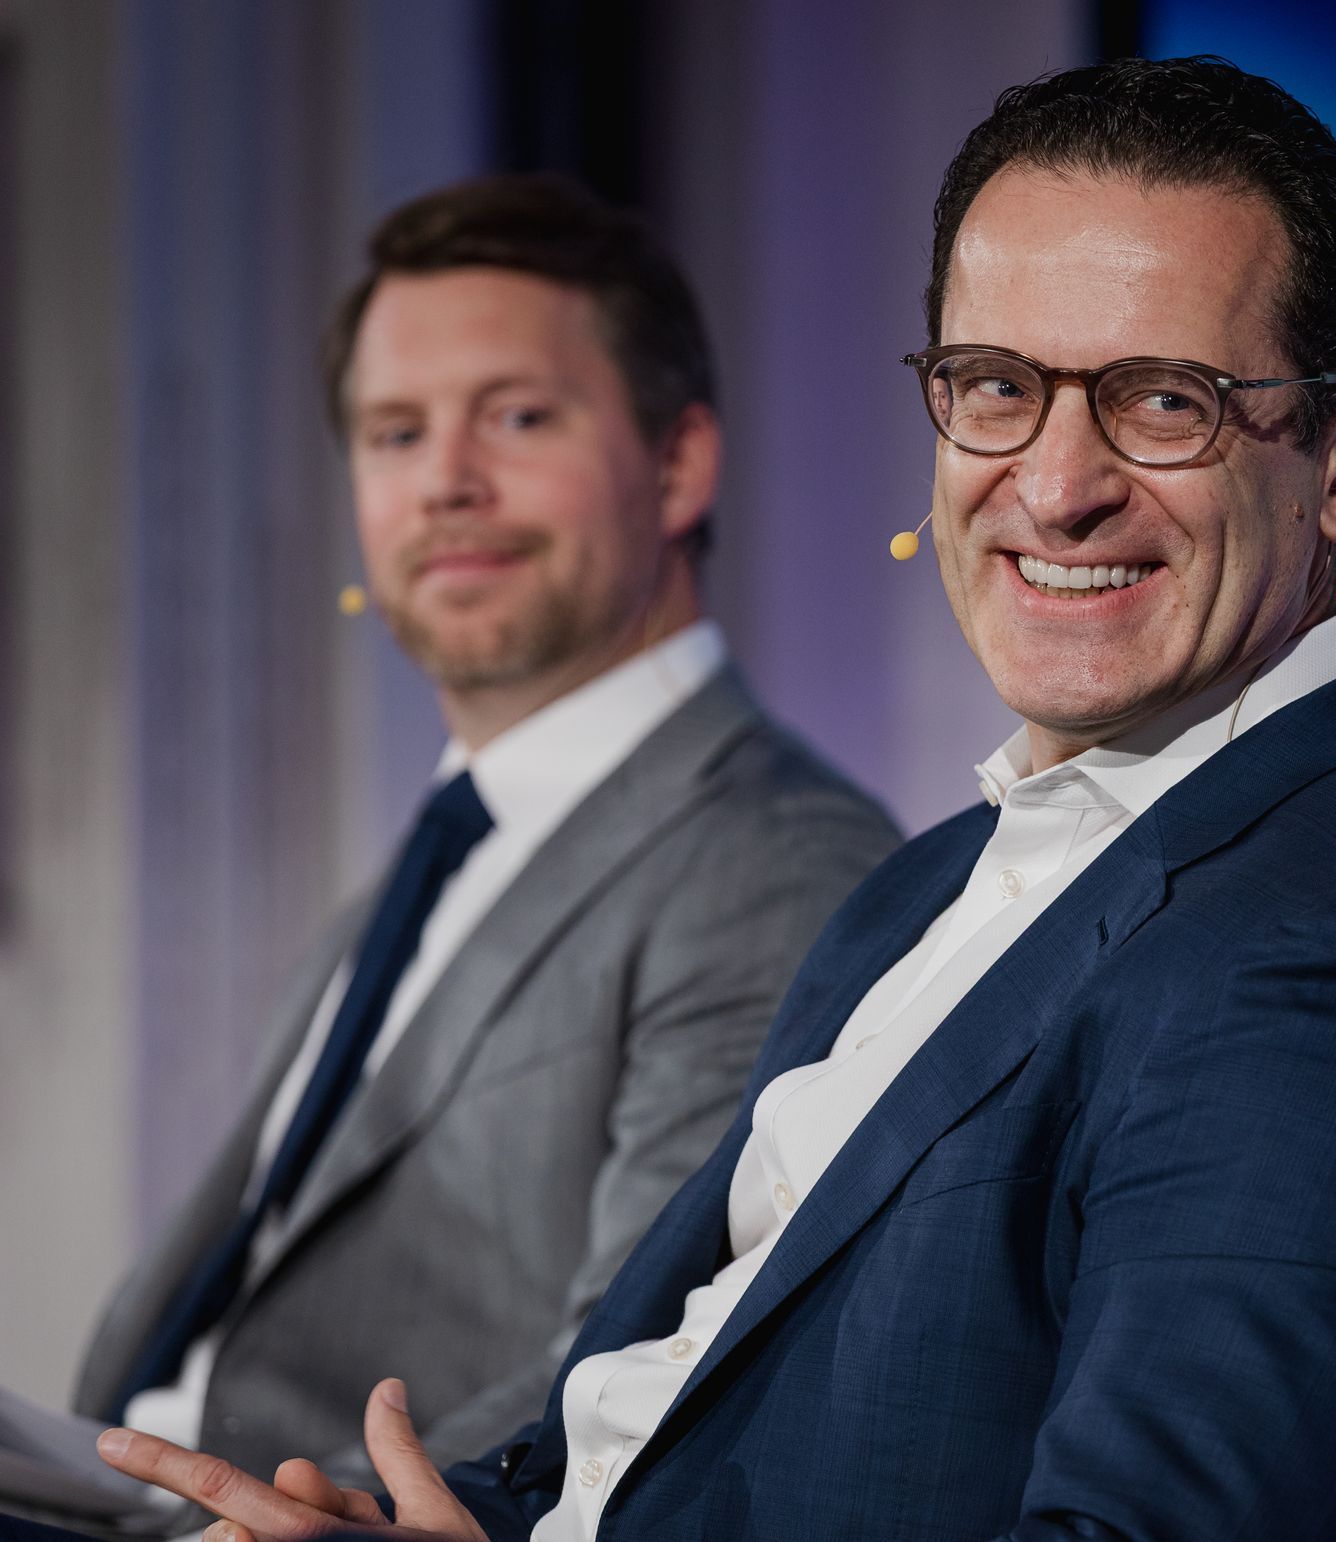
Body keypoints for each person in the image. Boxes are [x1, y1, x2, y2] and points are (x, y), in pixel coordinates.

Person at [86, 57, 1336, 1541]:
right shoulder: (928, 886)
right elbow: (630, 1433)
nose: (1055, 487)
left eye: (1162, 403)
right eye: (995, 389)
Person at [65, 176, 898, 1495]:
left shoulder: (778, 860)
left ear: (678, 463)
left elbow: (648, 1358)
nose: (445, 481)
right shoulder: (421, 873)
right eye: (394, 433)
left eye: (517, 417)